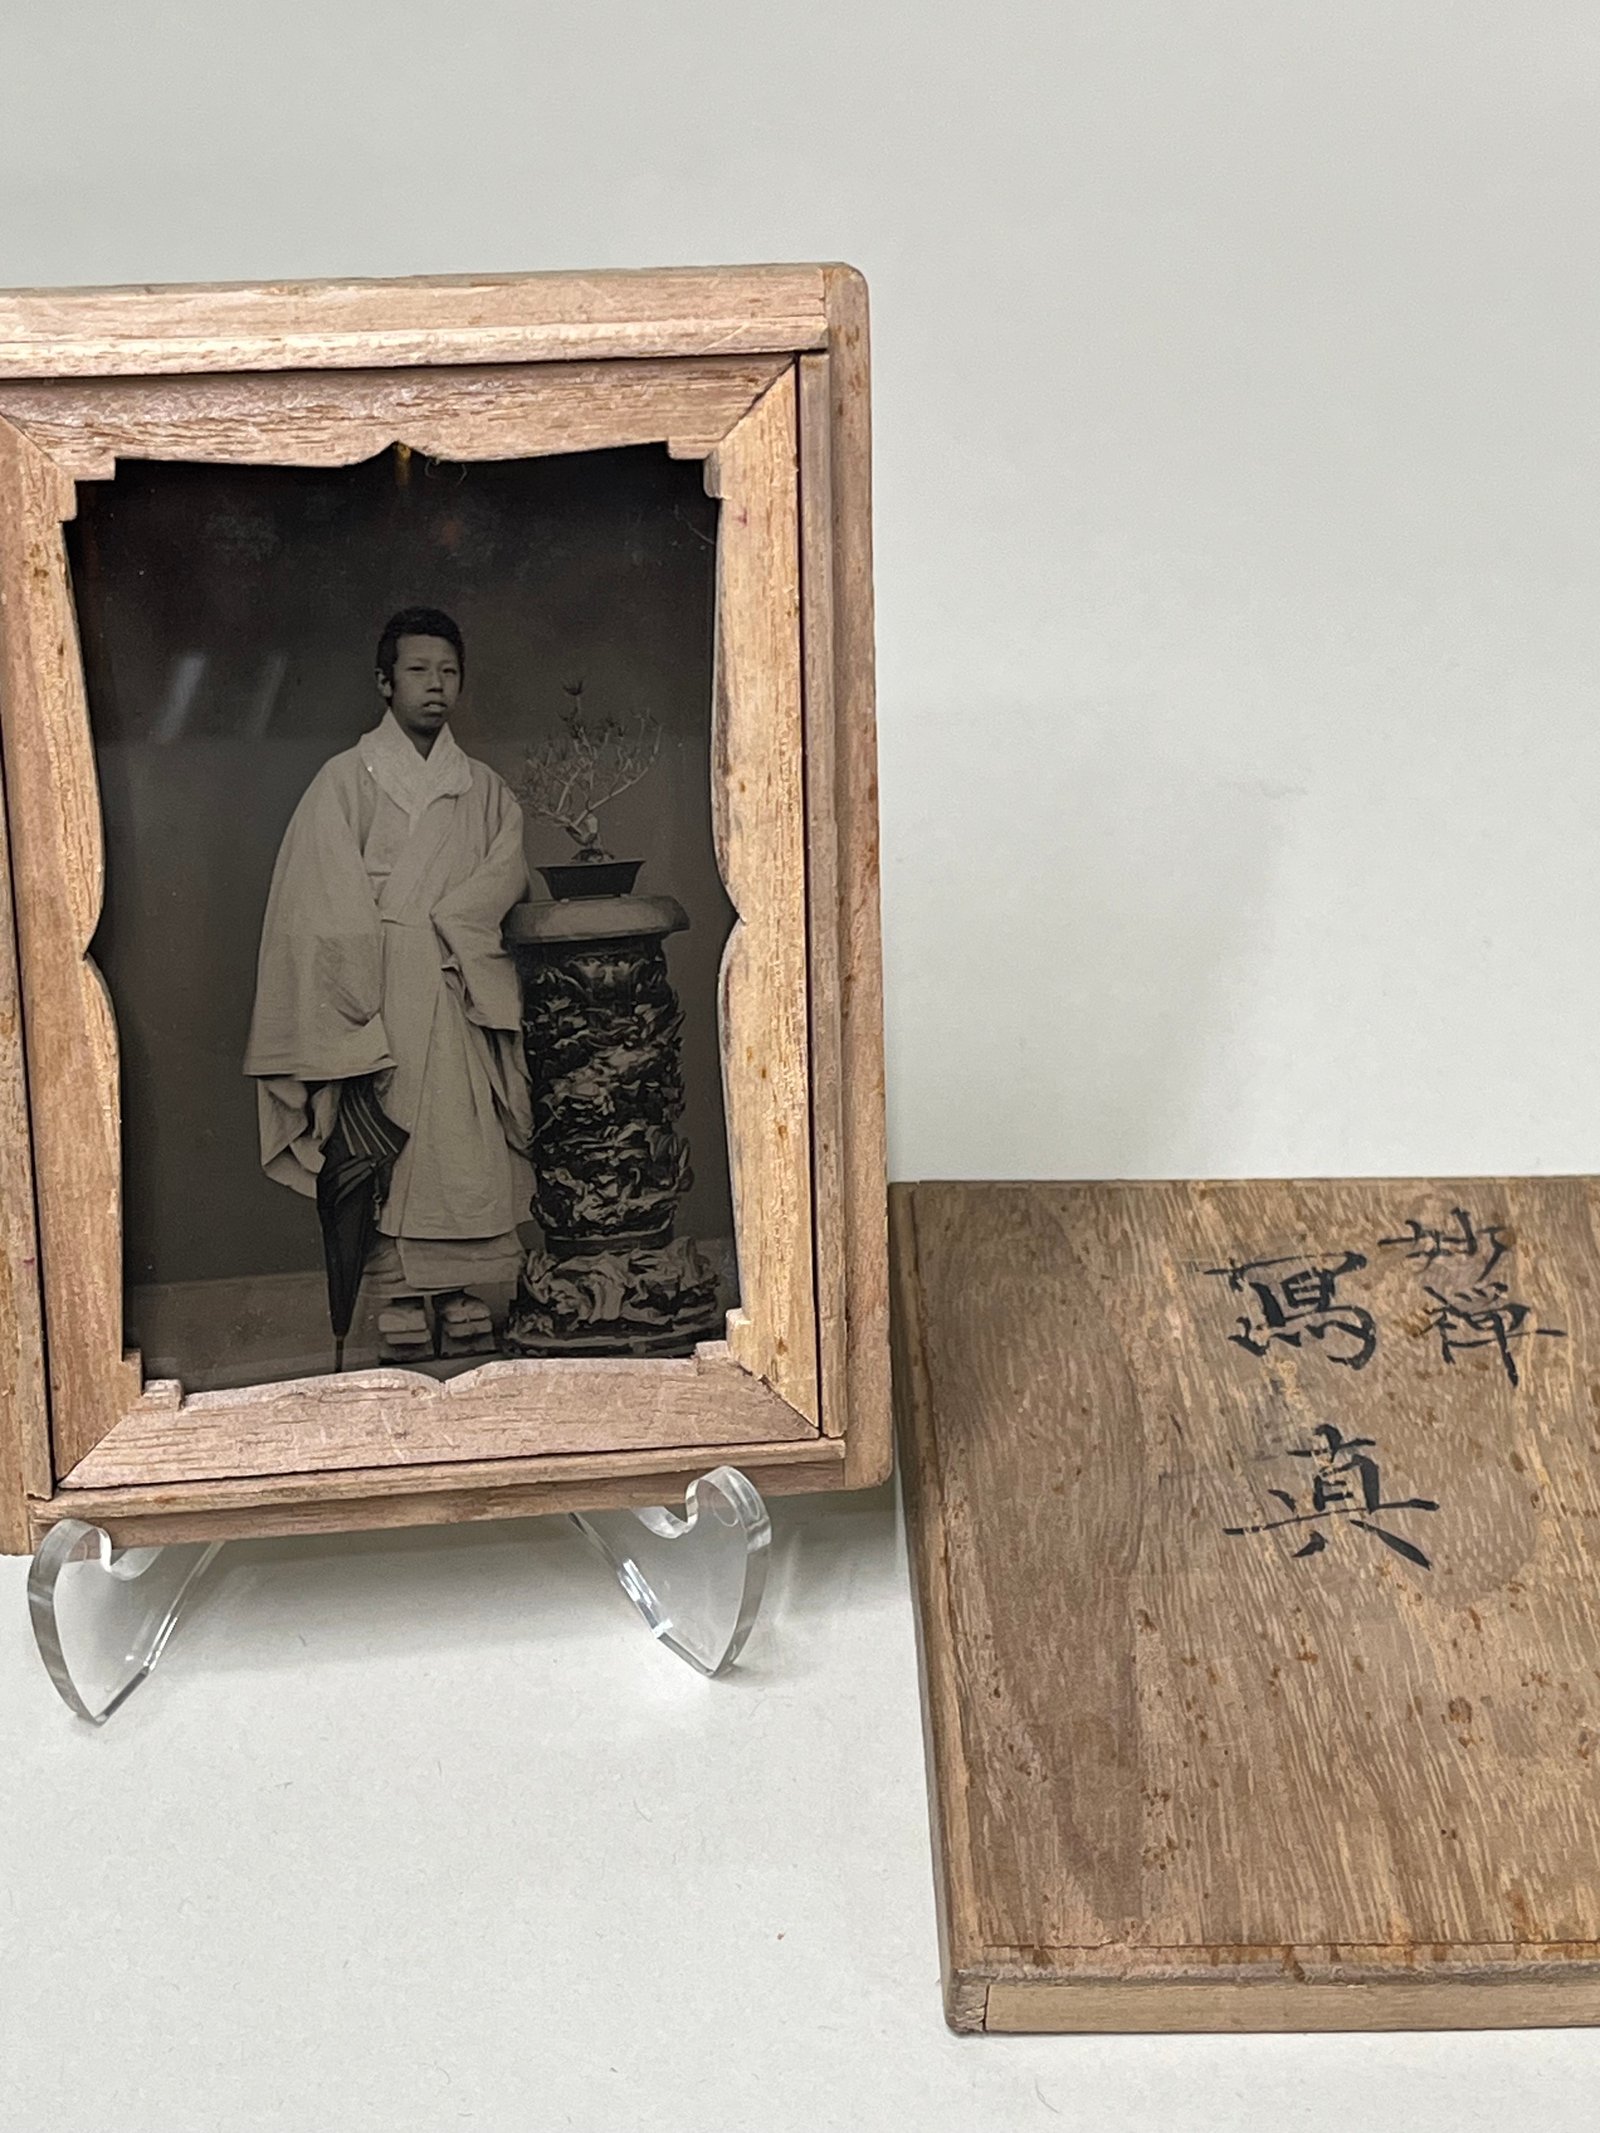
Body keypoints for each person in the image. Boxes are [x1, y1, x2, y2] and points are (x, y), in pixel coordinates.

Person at [244, 606, 533, 1361]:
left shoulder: (487, 790)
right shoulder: (343, 781)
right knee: (385, 1143)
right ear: (383, 681)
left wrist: (455, 921)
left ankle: (464, 1292)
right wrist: (359, 985)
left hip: (457, 977)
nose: (435, 686)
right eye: (418, 670)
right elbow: (321, 898)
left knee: (464, 1138)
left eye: (448, 672)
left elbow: (503, 875)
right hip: (378, 988)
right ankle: (402, 1293)